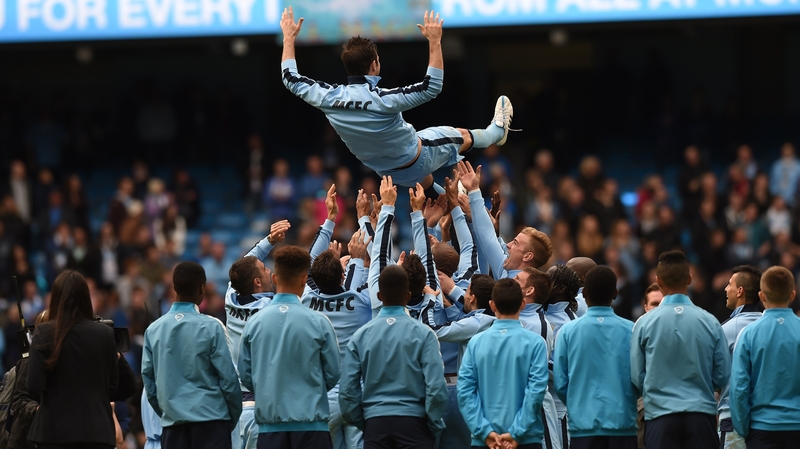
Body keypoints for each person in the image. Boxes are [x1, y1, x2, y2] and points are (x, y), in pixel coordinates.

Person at [280, 7, 514, 195]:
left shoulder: (327, 97)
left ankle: (452, 205)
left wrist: (288, 37)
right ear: (374, 65)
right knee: (459, 135)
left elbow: (290, 77)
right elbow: (431, 86)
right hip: (417, 159)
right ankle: (497, 133)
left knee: (431, 186)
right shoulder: (383, 100)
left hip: (386, 172)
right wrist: (435, 41)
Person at [238, 246, 340, 449]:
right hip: (312, 427)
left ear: (275, 278)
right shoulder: (320, 322)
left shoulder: (254, 323)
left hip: (270, 429)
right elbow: (333, 374)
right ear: (304, 279)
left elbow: (246, 376)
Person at [339, 264, 448, 448]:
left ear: (379, 296)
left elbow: (347, 391)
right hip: (416, 425)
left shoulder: (361, 336)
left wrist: (365, 423)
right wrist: (432, 424)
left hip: (375, 426)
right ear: (407, 295)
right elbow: (436, 388)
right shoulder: (424, 334)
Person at [630, 250, 730, 449]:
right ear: (690, 279)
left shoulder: (644, 324)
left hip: (660, 416)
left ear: (658, 281)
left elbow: (637, 376)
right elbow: (722, 376)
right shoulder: (710, 322)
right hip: (701, 416)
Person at [27, 271, 136, 449]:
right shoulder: (105, 334)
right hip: (97, 433)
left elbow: (33, 385)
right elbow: (125, 386)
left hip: (53, 433)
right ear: (85, 298)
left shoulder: (45, 332)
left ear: (55, 299)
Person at [142, 262, 242, 449]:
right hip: (213, 423)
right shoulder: (212, 327)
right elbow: (229, 380)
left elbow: (149, 384)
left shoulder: (153, 330)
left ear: (174, 288)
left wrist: (168, 412)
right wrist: (230, 418)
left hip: (174, 426)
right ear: (202, 288)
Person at [458, 278, 549, 449]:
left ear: (492, 305)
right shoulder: (535, 343)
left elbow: (465, 392)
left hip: (485, 440)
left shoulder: (476, 342)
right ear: (523, 304)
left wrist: (484, 432)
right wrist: (516, 433)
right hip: (525, 439)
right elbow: (535, 392)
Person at [553, 266, 637, 449]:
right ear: (615, 293)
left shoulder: (568, 331)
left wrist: (577, 404)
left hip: (584, 426)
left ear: (584, 294)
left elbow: (560, 382)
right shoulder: (631, 330)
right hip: (622, 424)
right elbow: (640, 378)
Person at [225, 220, 290, 449]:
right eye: (265, 270)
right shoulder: (270, 310)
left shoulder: (230, 297)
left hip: (233, 405)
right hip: (260, 405)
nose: (269, 270)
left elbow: (244, 265)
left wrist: (269, 241)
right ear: (257, 281)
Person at [730, 266, 800, 448]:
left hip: (761, 429)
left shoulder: (748, 334)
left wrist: (744, 429)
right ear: (792, 295)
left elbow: (739, 388)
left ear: (762, 296)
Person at [457, 161, 553, 280]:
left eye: (515, 243)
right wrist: (479, 219)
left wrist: (474, 191)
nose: (508, 245)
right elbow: (491, 241)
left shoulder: (517, 286)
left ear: (527, 256)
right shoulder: (509, 268)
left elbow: (488, 238)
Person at [718, 265, 762, 449]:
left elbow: (716, 377)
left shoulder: (725, 330)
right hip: (764, 421)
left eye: (730, 285)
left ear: (740, 291)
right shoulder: (766, 326)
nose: (726, 289)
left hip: (732, 420)